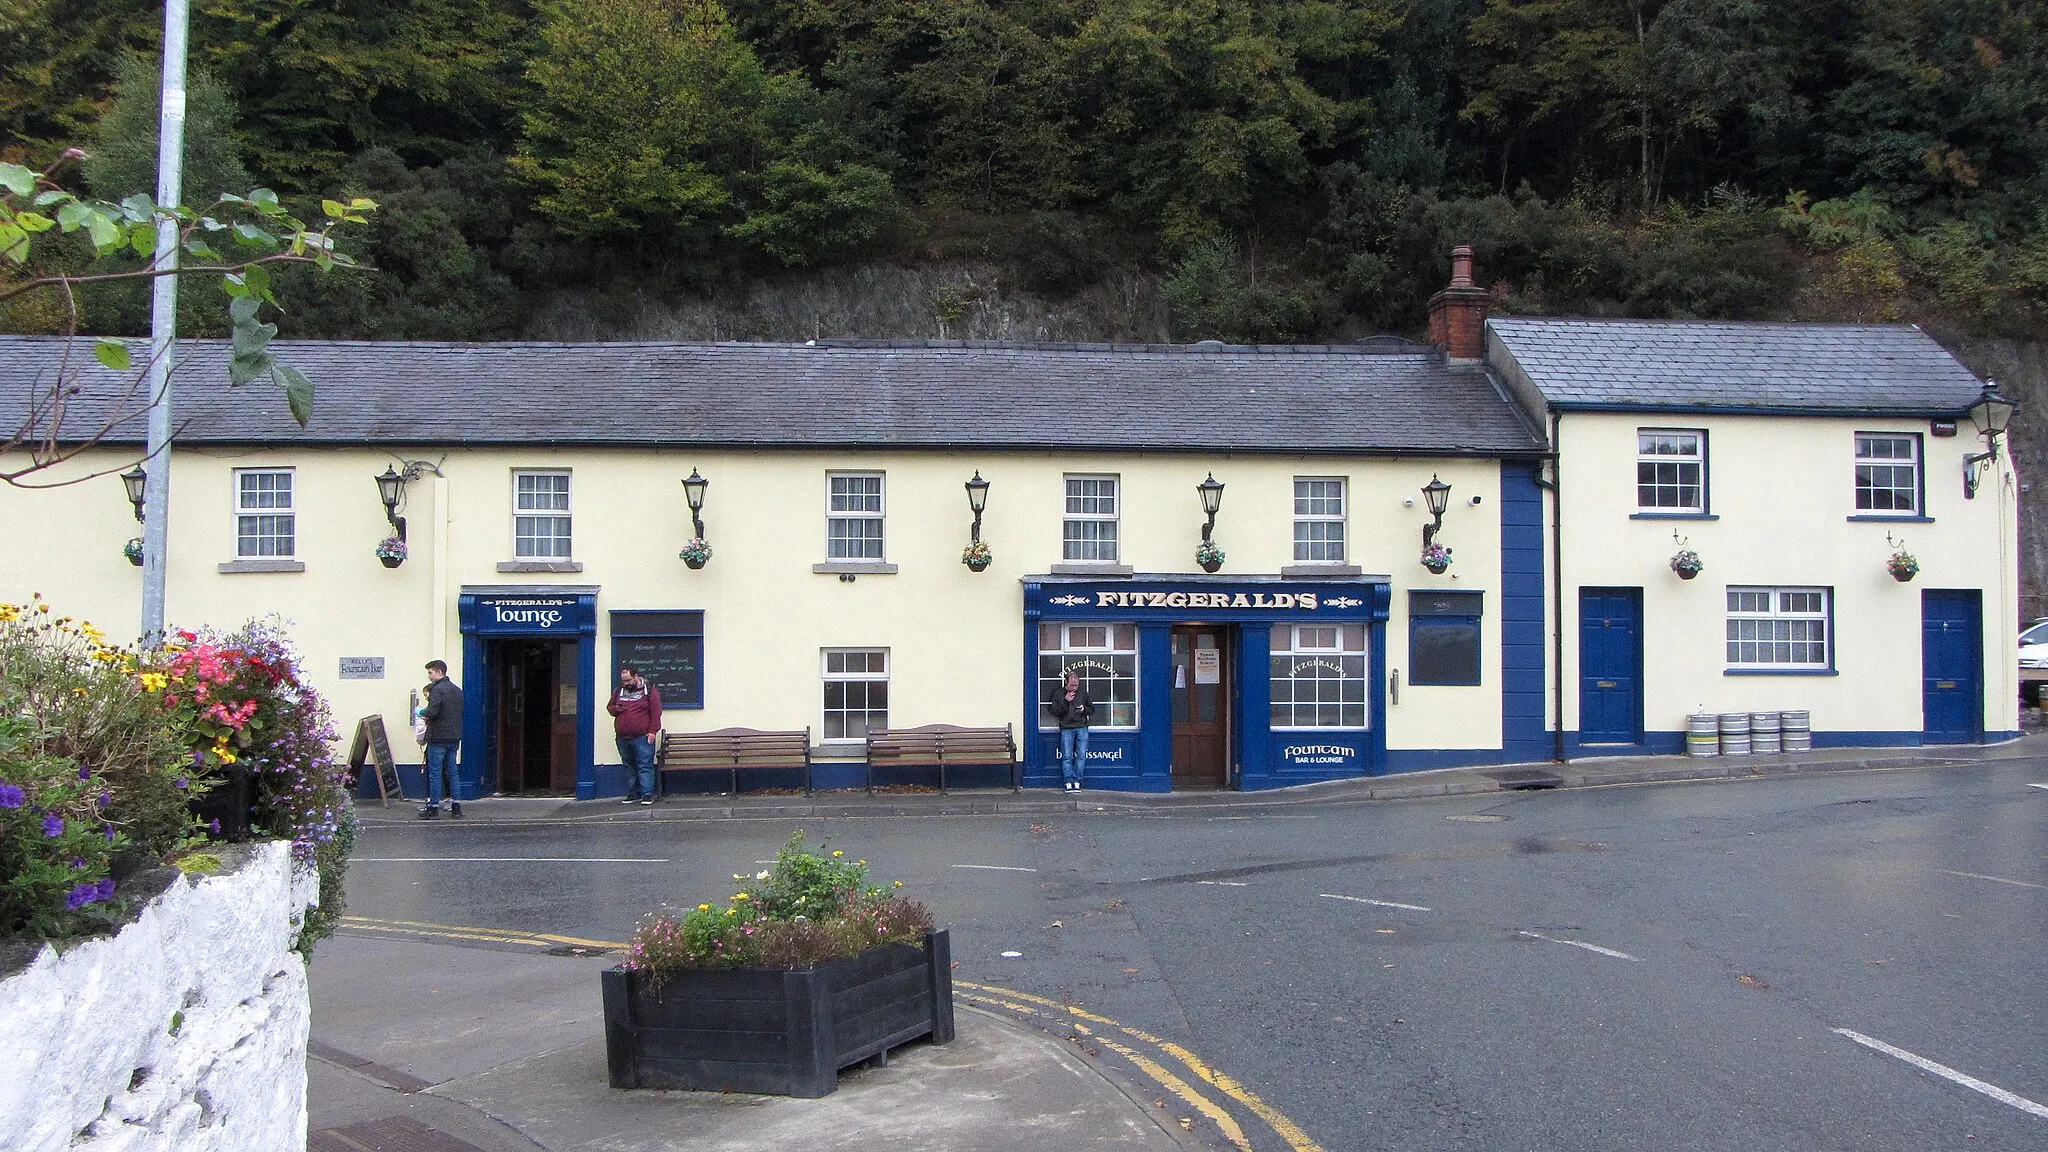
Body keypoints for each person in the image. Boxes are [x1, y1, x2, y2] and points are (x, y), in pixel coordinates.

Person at [608, 665, 663, 804]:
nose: (626, 683)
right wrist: (617, 709)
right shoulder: (619, 691)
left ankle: (647, 794)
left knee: (644, 765)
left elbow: (656, 713)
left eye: (629, 680)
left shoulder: (649, 691)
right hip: (622, 737)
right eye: (624, 681)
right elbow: (610, 707)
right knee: (629, 765)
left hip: (642, 736)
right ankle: (634, 792)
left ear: (636, 676)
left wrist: (652, 731)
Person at [419, 660, 464, 819]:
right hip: (454, 736)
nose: (429, 676)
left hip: (438, 737)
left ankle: (433, 808)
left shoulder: (437, 690)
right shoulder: (457, 690)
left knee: (435, 773)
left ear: (439, 672)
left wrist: (420, 712)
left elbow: (432, 712)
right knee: (452, 772)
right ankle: (456, 807)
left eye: (430, 672)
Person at [1047, 670, 1094, 792]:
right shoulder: (1058, 694)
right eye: (1072, 685)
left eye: (1076, 685)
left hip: (1081, 726)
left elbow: (1092, 709)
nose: (1074, 688)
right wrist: (1065, 701)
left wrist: (1084, 709)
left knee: (1081, 755)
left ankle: (1077, 780)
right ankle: (1068, 781)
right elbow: (1054, 712)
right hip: (1066, 727)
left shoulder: (1083, 693)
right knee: (1067, 756)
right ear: (1066, 682)